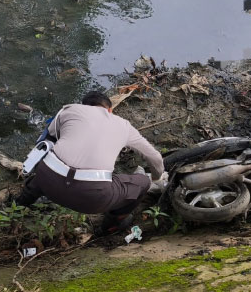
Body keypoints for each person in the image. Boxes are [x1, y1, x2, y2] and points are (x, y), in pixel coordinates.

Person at [16, 91, 165, 234]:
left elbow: (47, 139)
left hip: (47, 181)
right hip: (92, 198)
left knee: (49, 164)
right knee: (143, 182)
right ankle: (111, 225)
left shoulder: (69, 109)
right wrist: (156, 177)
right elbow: (155, 158)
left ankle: (19, 205)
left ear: (84, 105)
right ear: (110, 110)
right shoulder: (124, 125)